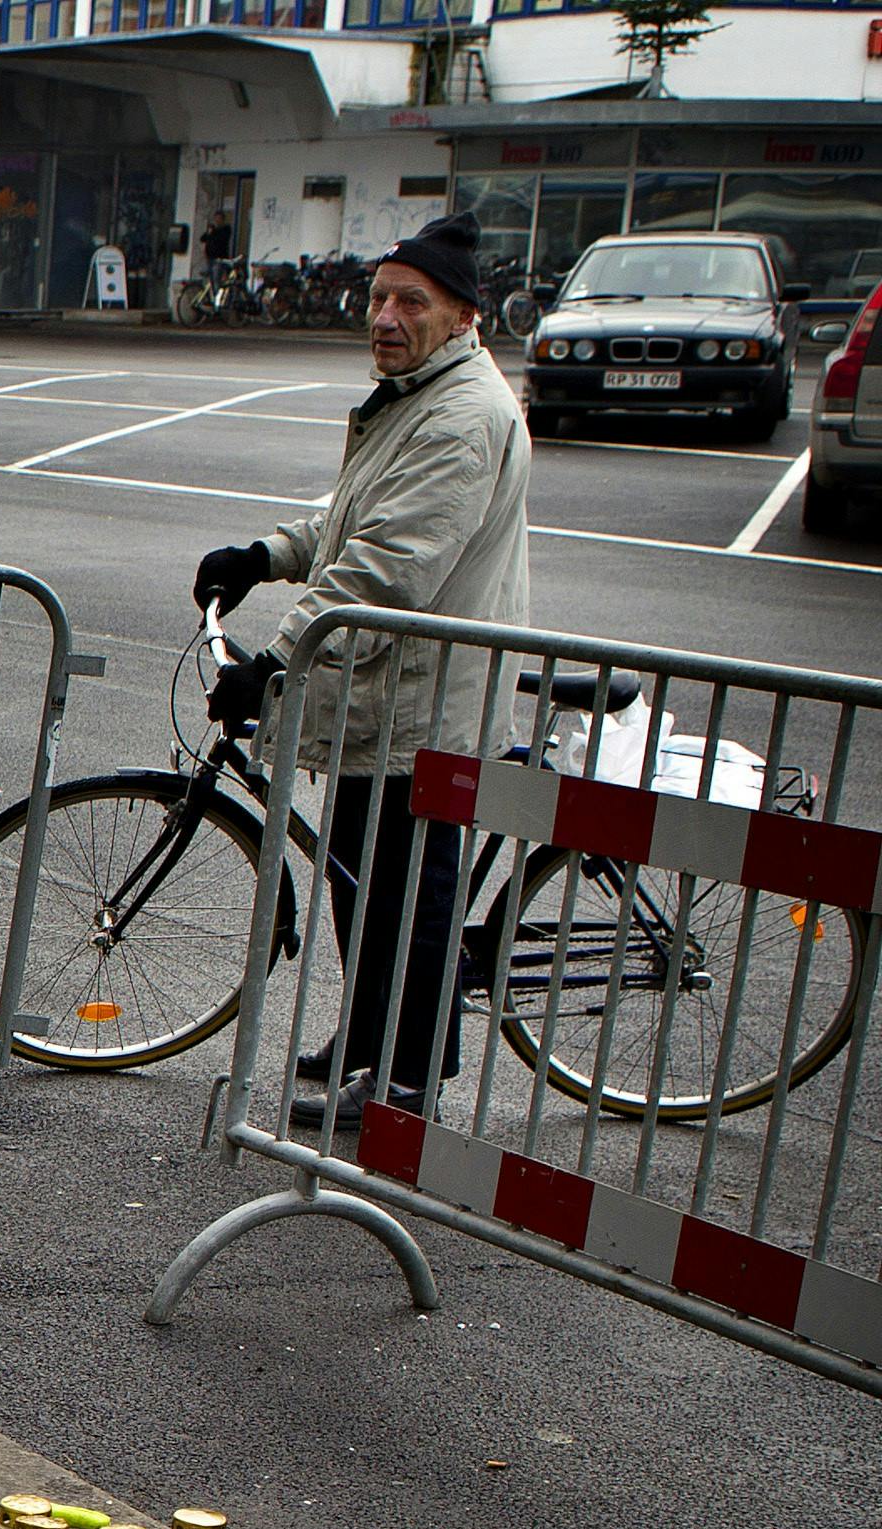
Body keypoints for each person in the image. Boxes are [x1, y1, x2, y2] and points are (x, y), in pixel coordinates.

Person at [191, 211, 529, 1131]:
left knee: (407, 905)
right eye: (379, 297)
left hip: (423, 707)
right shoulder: (417, 395)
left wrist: (276, 658)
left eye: (410, 301)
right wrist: (262, 554)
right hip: (385, 701)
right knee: (367, 891)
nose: (384, 315)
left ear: (463, 316)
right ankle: (371, 1037)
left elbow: (384, 570)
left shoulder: (461, 419)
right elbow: (348, 523)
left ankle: (404, 1086)